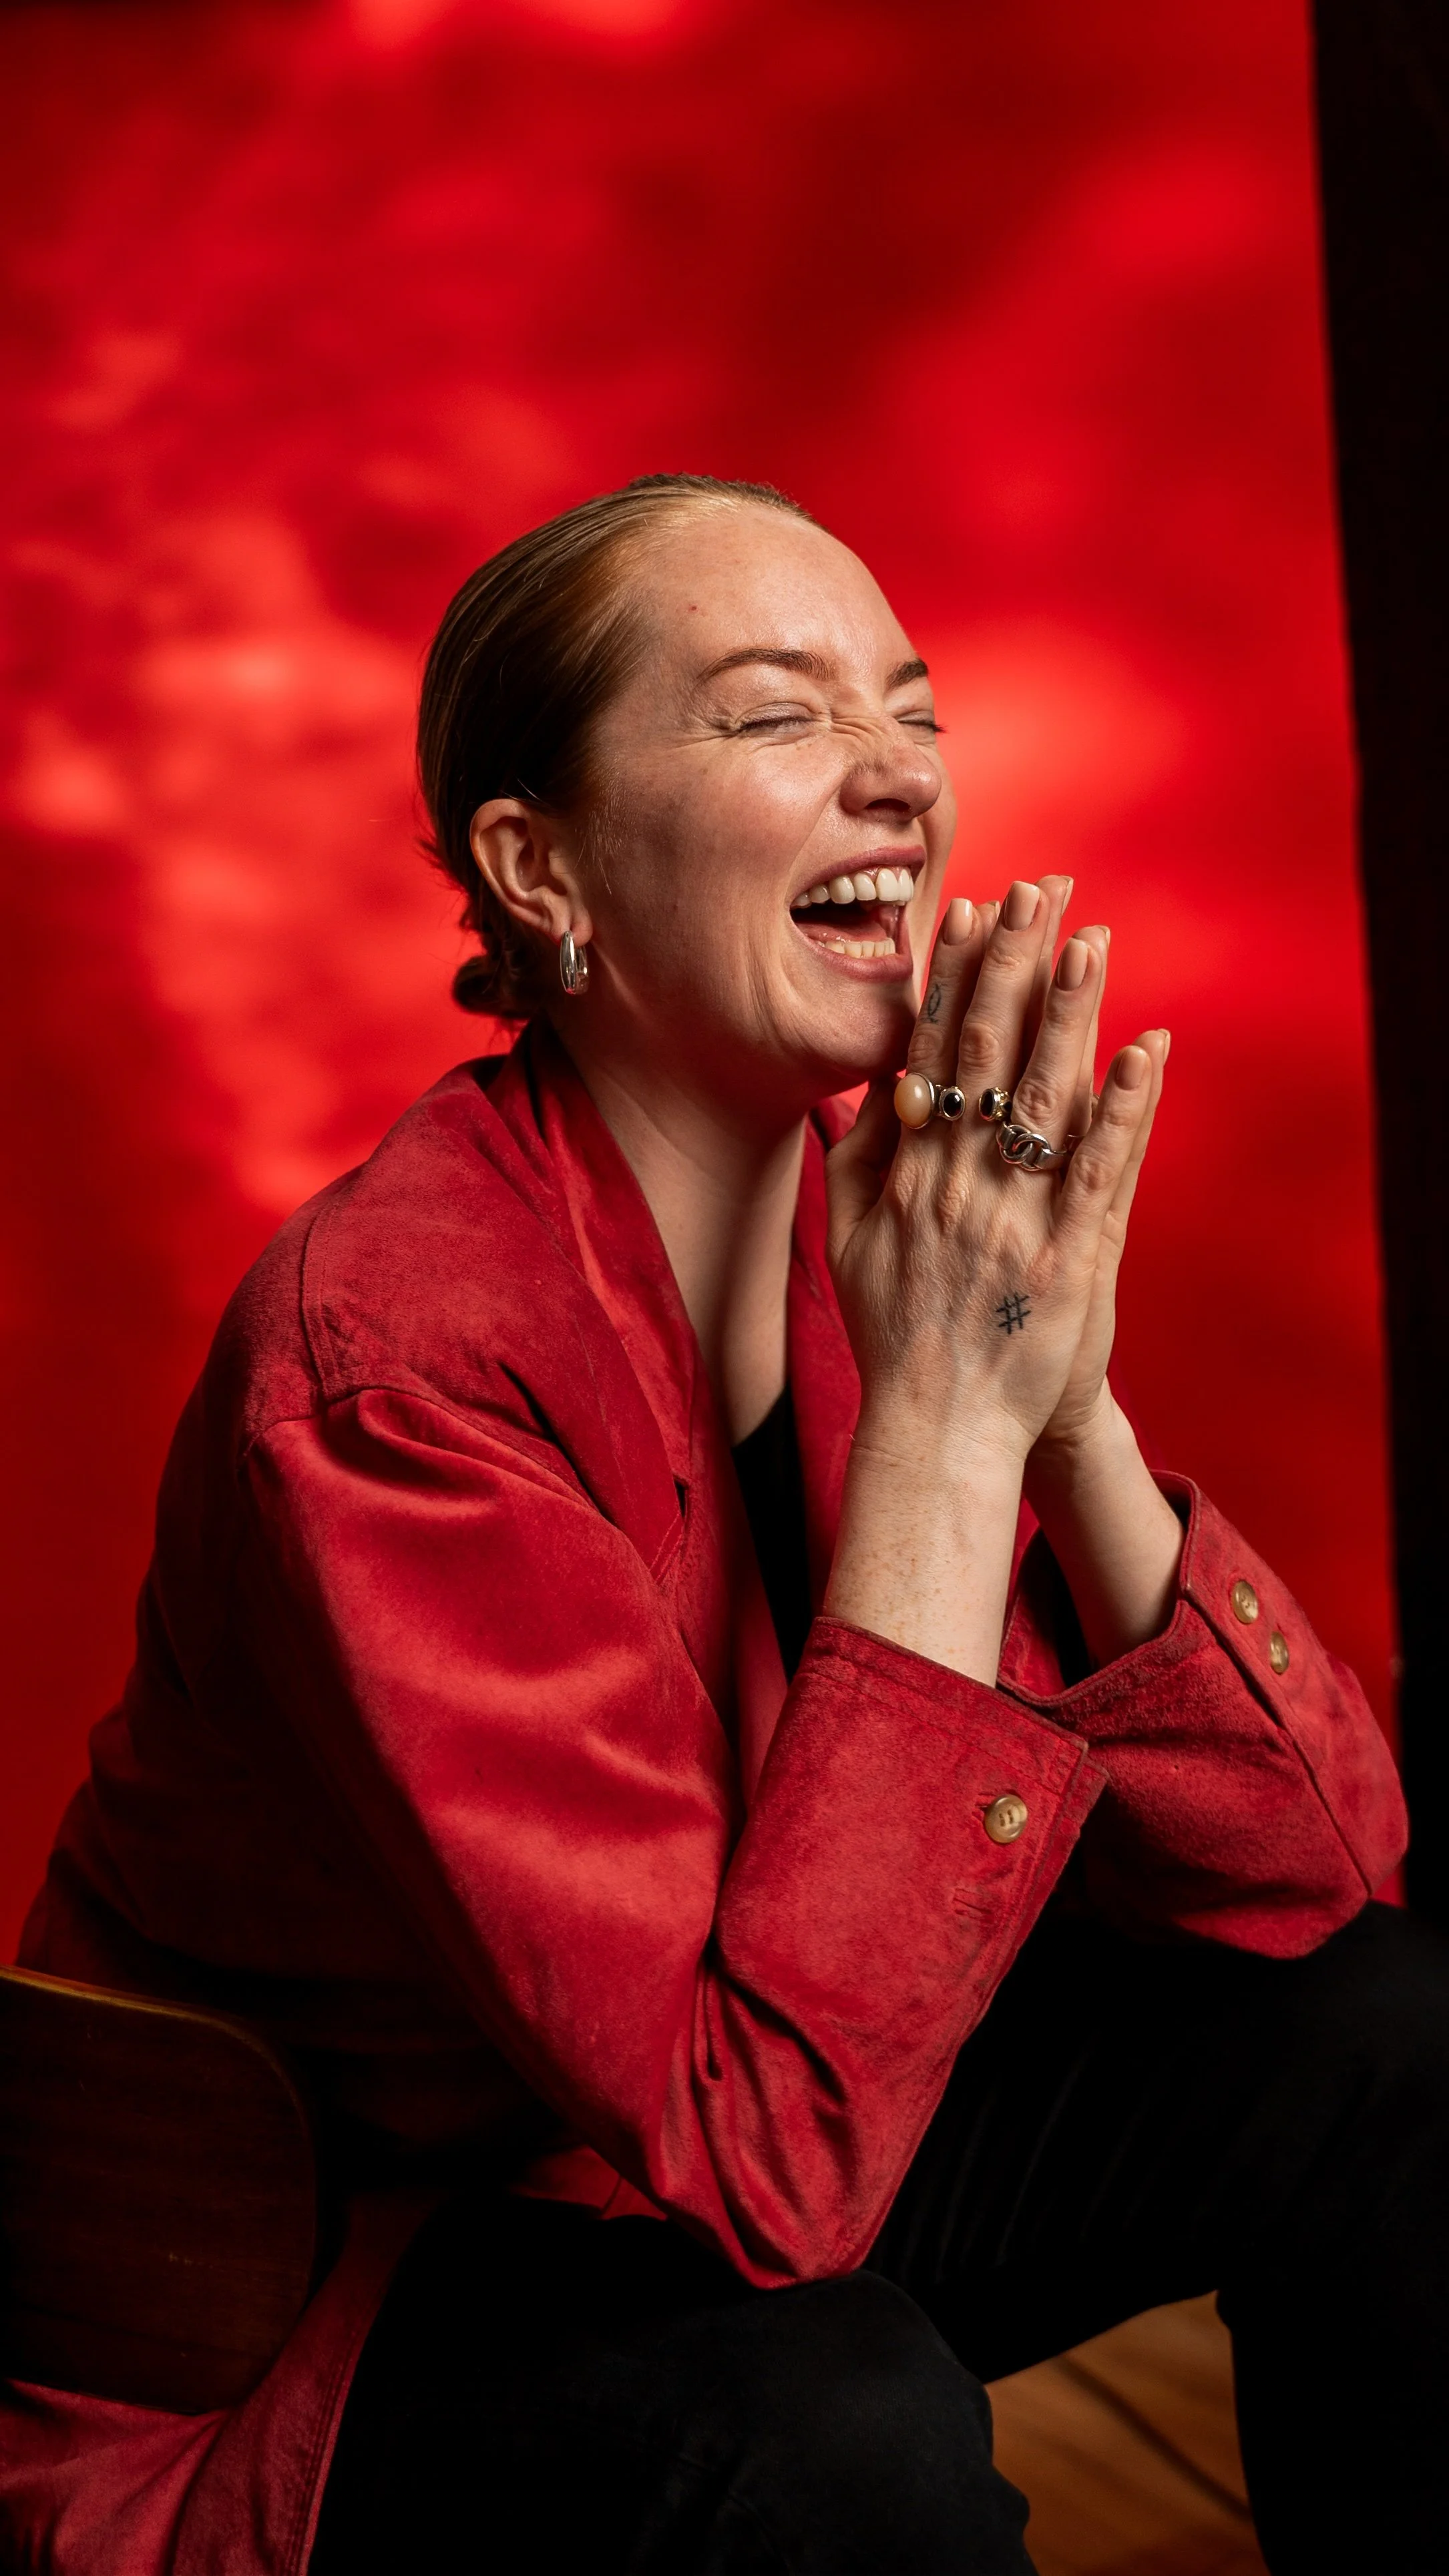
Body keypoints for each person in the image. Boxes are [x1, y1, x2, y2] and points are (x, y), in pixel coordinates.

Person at [1, 471, 1442, 2576]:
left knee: (1387, 2036)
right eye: (778, 714)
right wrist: (948, 1425)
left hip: (753, 2145)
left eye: (914, 711)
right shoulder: (392, 1359)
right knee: (836, 2417)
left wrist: (1055, 1400)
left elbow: (1320, 1872)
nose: (897, 775)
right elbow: (762, 2176)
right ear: (542, 868)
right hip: (369, 2290)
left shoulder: (891, 1257)